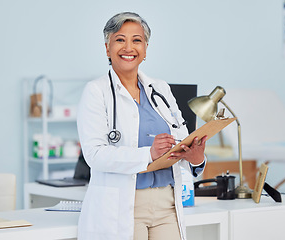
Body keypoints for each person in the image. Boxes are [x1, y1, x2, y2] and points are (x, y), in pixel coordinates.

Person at [77, 12, 207, 240]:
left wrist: (196, 158)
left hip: (167, 204)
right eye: (120, 40)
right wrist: (149, 153)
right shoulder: (96, 91)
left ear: (145, 49)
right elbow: (94, 155)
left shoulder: (161, 89)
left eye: (136, 40)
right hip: (124, 207)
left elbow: (182, 139)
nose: (129, 47)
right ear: (107, 48)